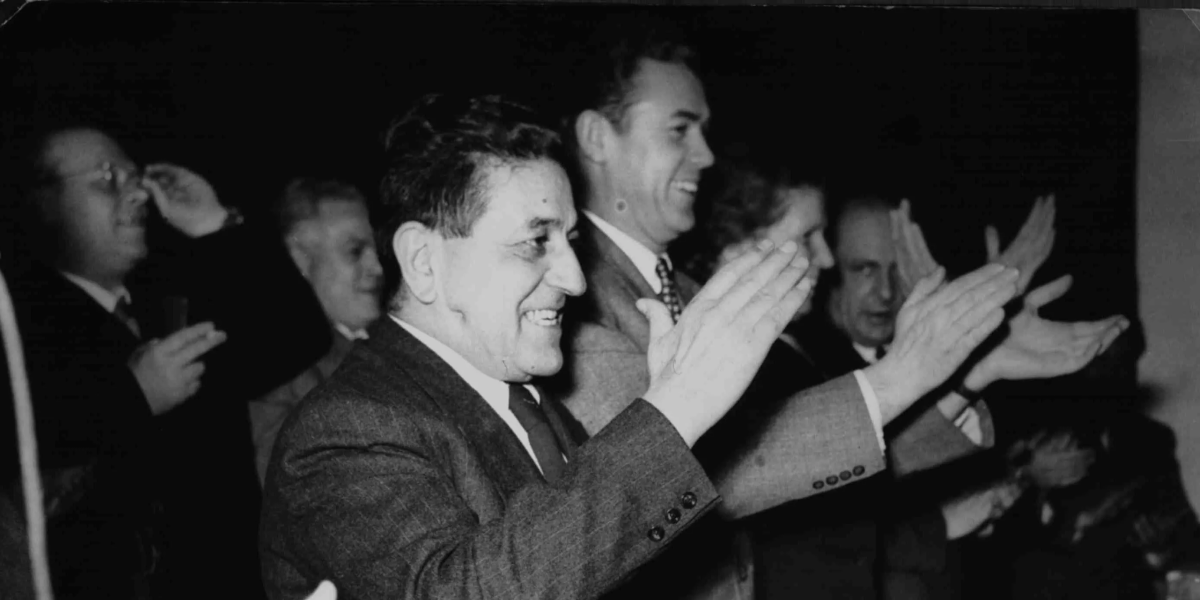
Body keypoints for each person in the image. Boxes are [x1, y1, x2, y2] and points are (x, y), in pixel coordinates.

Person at [259, 93, 819, 600]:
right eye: (535, 241)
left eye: (570, 240)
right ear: (424, 263)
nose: (575, 279)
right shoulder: (346, 427)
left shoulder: (528, 400)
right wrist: (675, 410)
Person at [551, 18, 1029, 598]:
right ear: (597, 138)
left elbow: (804, 458)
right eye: (679, 130)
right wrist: (905, 374)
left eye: (704, 131)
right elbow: (675, 481)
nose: (706, 154)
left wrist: (963, 371)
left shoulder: (694, 292)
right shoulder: (575, 302)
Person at [0, 126, 331, 599]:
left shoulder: (171, 300)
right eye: (107, 178)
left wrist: (216, 224)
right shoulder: (20, 333)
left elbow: (299, 338)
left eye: (135, 175)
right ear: (42, 202)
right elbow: (32, 489)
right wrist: (131, 397)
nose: (137, 192)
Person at [248, 178, 383, 485]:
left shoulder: (405, 338)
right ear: (301, 261)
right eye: (355, 251)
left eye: (375, 247)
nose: (376, 267)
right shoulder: (281, 390)